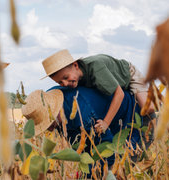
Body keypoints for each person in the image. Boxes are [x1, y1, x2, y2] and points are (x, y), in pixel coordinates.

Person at [21, 86, 153, 167]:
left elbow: (107, 154)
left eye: (47, 124)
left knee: (121, 168)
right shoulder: (51, 97)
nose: (48, 129)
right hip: (109, 125)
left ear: (55, 112)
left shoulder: (82, 114)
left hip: (137, 121)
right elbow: (81, 147)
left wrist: (88, 175)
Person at [40, 49, 153, 134]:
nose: (64, 84)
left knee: (148, 108)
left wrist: (105, 123)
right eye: (60, 82)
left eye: (65, 77)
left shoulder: (96, 68)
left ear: (75, 65)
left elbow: (119, 94)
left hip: (128, 74)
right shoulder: (75, 78)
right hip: (108, 82)